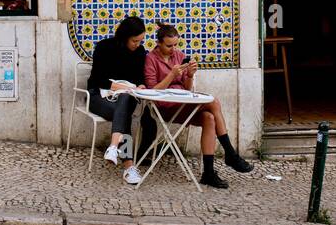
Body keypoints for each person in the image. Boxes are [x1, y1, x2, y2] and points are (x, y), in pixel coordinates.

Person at [144, 22, 254, 189]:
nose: (173, 49)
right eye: (169, 46)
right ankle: (230, 154)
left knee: (209, 118)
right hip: (164, 107)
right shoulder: (150, 59)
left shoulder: (179, 56)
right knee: (214, 102)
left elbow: (187, 88)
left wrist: (189, 75)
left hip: (183, 104)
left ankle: (208, 173)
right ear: (158, 43)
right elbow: (152, 91)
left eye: (175, 45)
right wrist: (171, 75)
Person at [85, 16, 158, 186]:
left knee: (124, 102)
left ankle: (113, 148)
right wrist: (122, 87)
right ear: (125, 36)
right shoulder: (104, 47)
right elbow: (98, 79)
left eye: (140, 41)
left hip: (126, 98)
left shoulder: (140, 52)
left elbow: (140, 77)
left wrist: (140, 85)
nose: (137, 45)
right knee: (123, 113)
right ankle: (129, 168)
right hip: (99, 96)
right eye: (134, 41)